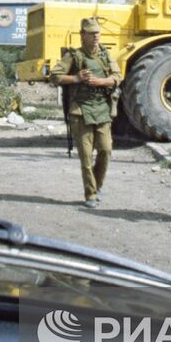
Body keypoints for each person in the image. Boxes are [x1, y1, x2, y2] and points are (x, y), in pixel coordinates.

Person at [50, 17, 120, 207]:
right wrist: (76, 78)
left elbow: (117, 77)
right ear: (82, 35)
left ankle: (97, 186)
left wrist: (102, 82)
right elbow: (54, 76)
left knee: (105, 150)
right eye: (91, 33)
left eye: (97, 32)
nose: (96, 36)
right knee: (86, 156)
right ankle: (90, 194)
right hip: (80, 111)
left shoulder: (106, 54)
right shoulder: (74, 56)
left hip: (102, 109)